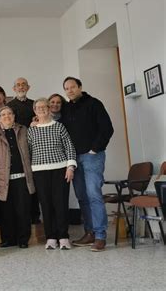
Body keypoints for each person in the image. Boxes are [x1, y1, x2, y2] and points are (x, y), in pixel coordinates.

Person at [61, 76, 114, 252]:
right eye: (66, 88)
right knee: (82, 196)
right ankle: (89, 232)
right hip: (75, 159)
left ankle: (100, 236)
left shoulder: (94, 104)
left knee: (93, 194)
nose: (70, 90)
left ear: (80, 87)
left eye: (72, 87)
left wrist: (95, 148)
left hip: (92, 156)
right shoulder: (66, 108)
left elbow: (107, 128)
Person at [27, 98, 77, 250]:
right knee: (46, 205)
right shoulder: (32, 130)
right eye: (38, 107)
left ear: (49, 109)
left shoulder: (59, 126)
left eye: (44, 106)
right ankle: (51, 237)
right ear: (35, 111)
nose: (41, 109)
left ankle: (63, 237)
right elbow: (28, 151)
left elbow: (69, 146)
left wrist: (70, 167)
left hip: (60, 169)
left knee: (60, 204)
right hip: (39, 171)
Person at [0, 106, 35, 249]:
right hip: (2, 179)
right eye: (3, 114)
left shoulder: (23, 130)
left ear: (14, 116)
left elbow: (31, 149)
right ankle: (8, 239)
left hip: (23, 177)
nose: (7, 116)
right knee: (6, 211)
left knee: (23, 209)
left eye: (9, 114)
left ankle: (23, 239)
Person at [7, 77, 40, 224]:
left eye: (23, 85)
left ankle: (34, 216)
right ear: (14, 89)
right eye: (18, 85)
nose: (21, 87)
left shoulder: (34, 105)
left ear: (28, 87)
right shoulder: (9, 106)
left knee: (33, 182)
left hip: (34, 149)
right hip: (16, 150)